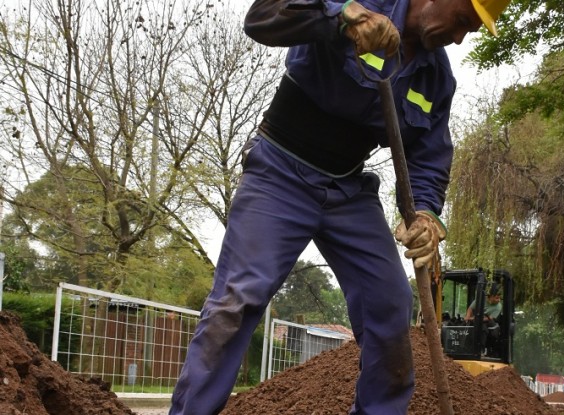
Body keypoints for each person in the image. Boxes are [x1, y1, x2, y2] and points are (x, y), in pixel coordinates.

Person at [168, 0, 511, 413]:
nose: (458, 38)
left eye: (470, 32)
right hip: (279, 170)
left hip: (348, 188)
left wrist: (426, 214)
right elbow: (261, 18)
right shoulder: (364, 3)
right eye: (461, 22)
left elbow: (430, 156)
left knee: (390, 304)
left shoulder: (437, 79)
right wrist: (341, 18)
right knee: (237, 299)